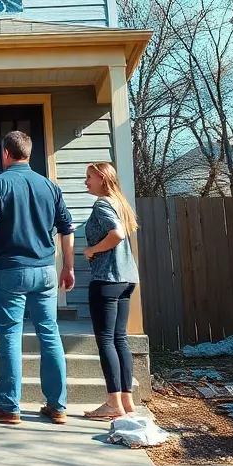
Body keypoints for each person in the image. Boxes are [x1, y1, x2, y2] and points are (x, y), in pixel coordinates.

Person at [0, 130, 75, 426]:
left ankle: (9, 406)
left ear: (5, 153)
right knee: (49, 334)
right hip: (45, 271)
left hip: (11, 271)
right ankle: (57, 406)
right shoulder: (50, 186)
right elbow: (66, 229)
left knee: (10, 337)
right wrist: (67, 266)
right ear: (28, 153)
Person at [82, 161, 140, 420]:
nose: (86, 182)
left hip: (107, 279)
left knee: (106, 339)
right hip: (127, 279)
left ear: (103, 179)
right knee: (119, 339)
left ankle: (112, 403)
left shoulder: (103, 204)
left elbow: (115, 234)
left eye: (89, 177)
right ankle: (126, 402)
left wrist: (92, 250)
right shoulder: (120, 203)